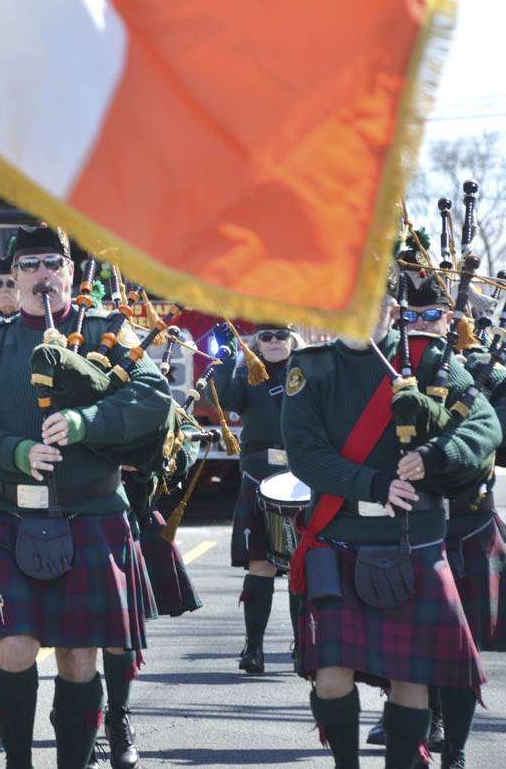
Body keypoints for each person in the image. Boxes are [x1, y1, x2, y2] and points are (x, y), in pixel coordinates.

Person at [0, 225, 171, 768]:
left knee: (77, 657)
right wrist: (17, 453)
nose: (42, 275)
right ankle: (18, 762)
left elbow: (153, 399)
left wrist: (83, 421)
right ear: (15, 275)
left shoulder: (107, 335)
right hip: (10, 514)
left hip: (90, 511)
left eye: (53, 263)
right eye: (30, 265)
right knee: (14, 649)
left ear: (71, 272)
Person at [282, 294, 499, 769]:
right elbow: (304, 452)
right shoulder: (311, 367)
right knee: (330, 678)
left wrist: (436, 456)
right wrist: (373, 483)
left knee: (410, 678)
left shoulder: (427, 359)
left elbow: (483, 427)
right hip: (339, 536)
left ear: (392, 307)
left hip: (414, 540)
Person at [397, 273, 506, 768]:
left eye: (432, 315)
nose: (421, 325)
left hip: (469, 523)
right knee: (411, 648)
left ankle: (454, 750)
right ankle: (424, 724)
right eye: (410, 316)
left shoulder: (483, 369)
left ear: (453, 317)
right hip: (411, 526)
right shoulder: (395, 366)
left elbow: (494, 437)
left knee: (459, 651)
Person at [210, 321, 305, 674]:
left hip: (302, 481)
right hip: (257, 476)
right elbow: (222, 400)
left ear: (293, 340)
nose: (275, 341)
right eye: (267, 336)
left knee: (300, 565)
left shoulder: (308, 371)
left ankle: (302, 645)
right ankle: (254, 647)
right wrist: (221, 356)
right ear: (257, 343)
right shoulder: (248, 372)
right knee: (260, 565)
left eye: (282, 335)